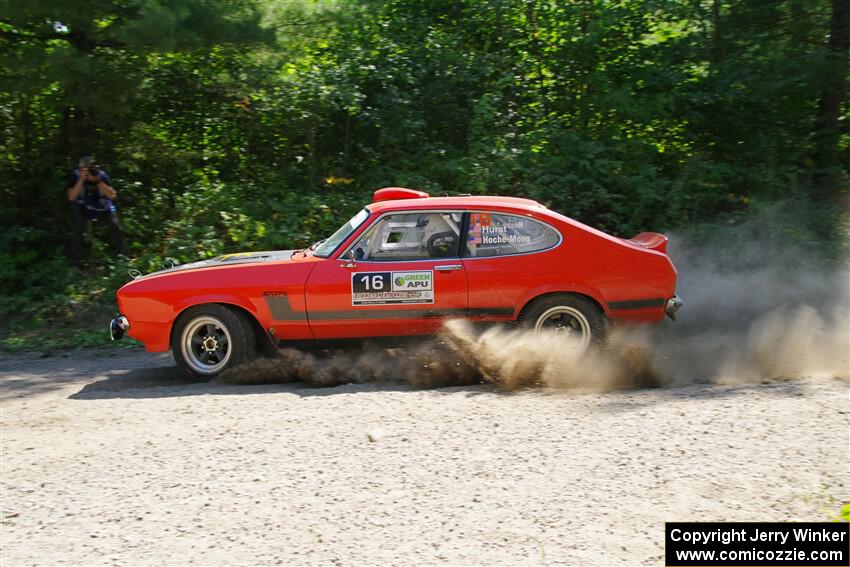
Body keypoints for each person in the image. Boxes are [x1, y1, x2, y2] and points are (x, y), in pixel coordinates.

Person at [66, 156, 124, 267]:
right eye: (84, 168)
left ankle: (119, 255)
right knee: (77, 229)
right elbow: (71, 197)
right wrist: (81, 179)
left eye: (89, 168)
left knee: (116, 226)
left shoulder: (101, 175)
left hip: (103, 207)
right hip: (84, 207)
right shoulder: (75, 176)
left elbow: (112, 195)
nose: (87, 171)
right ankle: (75, 261)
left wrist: (97, 181)